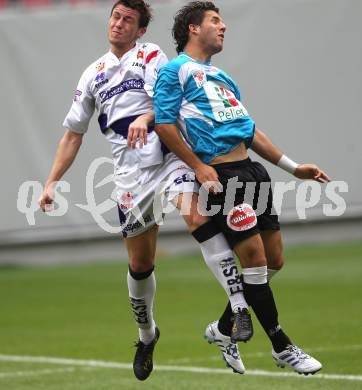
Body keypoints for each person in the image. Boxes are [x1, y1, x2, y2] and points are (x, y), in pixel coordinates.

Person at [38, 0, 257, 381]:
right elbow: (73, 134)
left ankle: (239, 305)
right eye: (116, 17)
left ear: (141, 31)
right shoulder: (92, 74)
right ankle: (147, 334)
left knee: (195, 215)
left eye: (128, 21)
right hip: (129, 177)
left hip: (168, 158)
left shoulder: (153, 56)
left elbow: (166, 102)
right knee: (140, 265)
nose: (119, 24)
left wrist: (146, 116)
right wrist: (51, 182)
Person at [154, 0, 330, 376]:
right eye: (215, 20)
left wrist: (293, 167)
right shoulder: (174, 72)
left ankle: (221, 328)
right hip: (224, 177)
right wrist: (199, 167)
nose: (223, 27)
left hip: (253, 172)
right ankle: (282, 346)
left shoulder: (222, 77)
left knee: (272, 261)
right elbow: (165, 126)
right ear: (193, 28)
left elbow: (249, 131)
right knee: (253, 261)